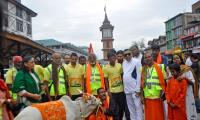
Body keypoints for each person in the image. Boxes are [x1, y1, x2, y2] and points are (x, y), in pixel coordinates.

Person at [141, 52, 166, 120]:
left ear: (152, 57)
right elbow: (141, 84)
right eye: (145, 57)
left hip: (158, 97)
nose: (147, 58)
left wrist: (164, 94)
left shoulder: (161, 67)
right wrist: (141, 96)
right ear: (144, 60)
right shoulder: (142, 69)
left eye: (149, 57)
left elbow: (165, 81)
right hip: (147, 97)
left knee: (159, 116)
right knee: (149, 117)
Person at [173, 54, 198, 120]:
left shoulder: (186, 69)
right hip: (178, 95)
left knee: (189, 112)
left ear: (181, 59)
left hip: (187, 94)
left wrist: (184, 78)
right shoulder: (172, 70)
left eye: (177, 58)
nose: (175, 60)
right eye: (174, 59)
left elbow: (192, 82)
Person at [103, 52, 127, 120]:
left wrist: (124, 87)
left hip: (121, 90)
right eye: (111, 58)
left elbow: (122, 77)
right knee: (114, 108)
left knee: (121, 107)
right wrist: (108, 90)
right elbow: (106, 80)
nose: (113, 59)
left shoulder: (119, 65)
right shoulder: (105, 68)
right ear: (108, 59)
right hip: (112, 92)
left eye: (114, 58)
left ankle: (121, 118)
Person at [122, 49, 143, 120]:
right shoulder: (124, 63)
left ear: (131, 54)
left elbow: (139, 75)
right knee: (131, 109)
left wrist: (138, 89)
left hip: (135, 90)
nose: (127, 56)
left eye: (129, 54)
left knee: (138, 107)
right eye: (125, 55)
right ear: (124, 56)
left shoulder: (136, 62)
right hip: (127, 90)